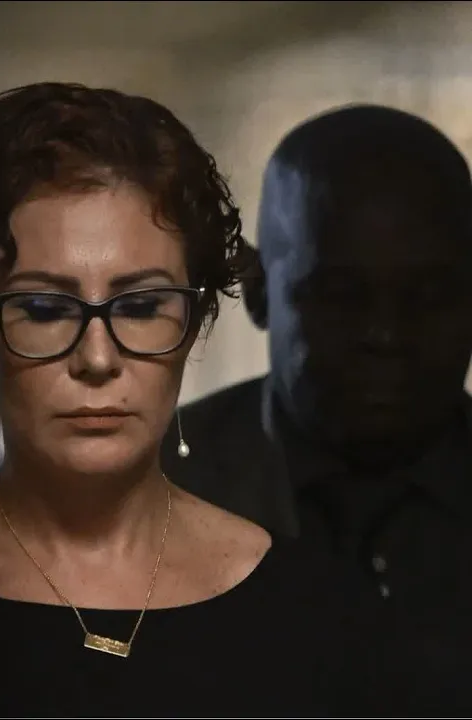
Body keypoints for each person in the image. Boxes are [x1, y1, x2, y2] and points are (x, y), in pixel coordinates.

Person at [0, 82, 411, 718]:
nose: (97, 358)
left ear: (196, 321)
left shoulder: (320, 610)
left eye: (142, 306)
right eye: (43, 308)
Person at [160, 104, 472, 712]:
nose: (386, 335)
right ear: (257, 291)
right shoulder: (145, 502)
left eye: (430, 297)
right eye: (339, 295)